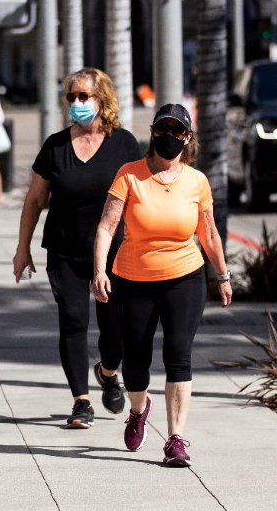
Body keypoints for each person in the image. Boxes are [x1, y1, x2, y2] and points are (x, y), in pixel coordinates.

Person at [92, 103, 233, 467]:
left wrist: (223, 274)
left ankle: (175, 440)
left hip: (185, 278)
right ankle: (139, 409)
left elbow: (209, 233)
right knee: (135, 361)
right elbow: (107, 226)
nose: (169, 137)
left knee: (178, 354)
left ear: (188, 138)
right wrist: (99, 270)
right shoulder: (129, 175)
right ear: (153, 132)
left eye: (178, 131)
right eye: (163, 129)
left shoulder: (196, 181)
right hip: (132, 278)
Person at [13, 68, 140, 429]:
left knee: (113, 327)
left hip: (114, 251)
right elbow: (35, 200)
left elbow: (139, 198)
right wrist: (23, 248)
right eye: (72, 97)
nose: (77, 103)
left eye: (84, 96)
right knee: (72, 321)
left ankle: (108, 371)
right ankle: (81, 401)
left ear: (102, 100)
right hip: (65, 249)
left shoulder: (124, 144)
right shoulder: (55, 146)